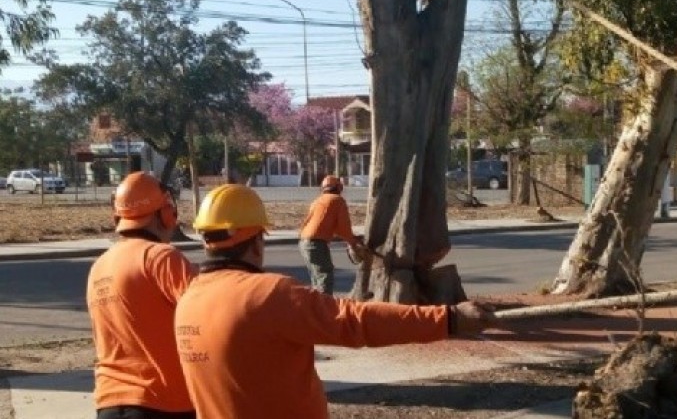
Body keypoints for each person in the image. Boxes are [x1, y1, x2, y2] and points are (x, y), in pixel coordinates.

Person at [175, 184, 497, 419]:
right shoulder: (268, 295)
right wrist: (449, 318)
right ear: (257, 240)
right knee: (323, 279)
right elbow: (355, 320)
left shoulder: (189, 300)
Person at [86, 172, 197, 419]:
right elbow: (205, 319)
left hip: (109, 402)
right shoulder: (162, 258)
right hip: (163, 403)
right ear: (165, 214)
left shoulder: (99, 267)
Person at [298, 174, 365, 294]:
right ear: (338, 187)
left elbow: (335, 228)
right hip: (316, 243)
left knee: (316, 279)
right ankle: (324, 309)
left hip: (304, 242)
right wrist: (353, 242)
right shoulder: (337, 200)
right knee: (325, 277)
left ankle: (315, 308)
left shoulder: (318, 201)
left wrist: (349, 237)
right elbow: (344, 227)